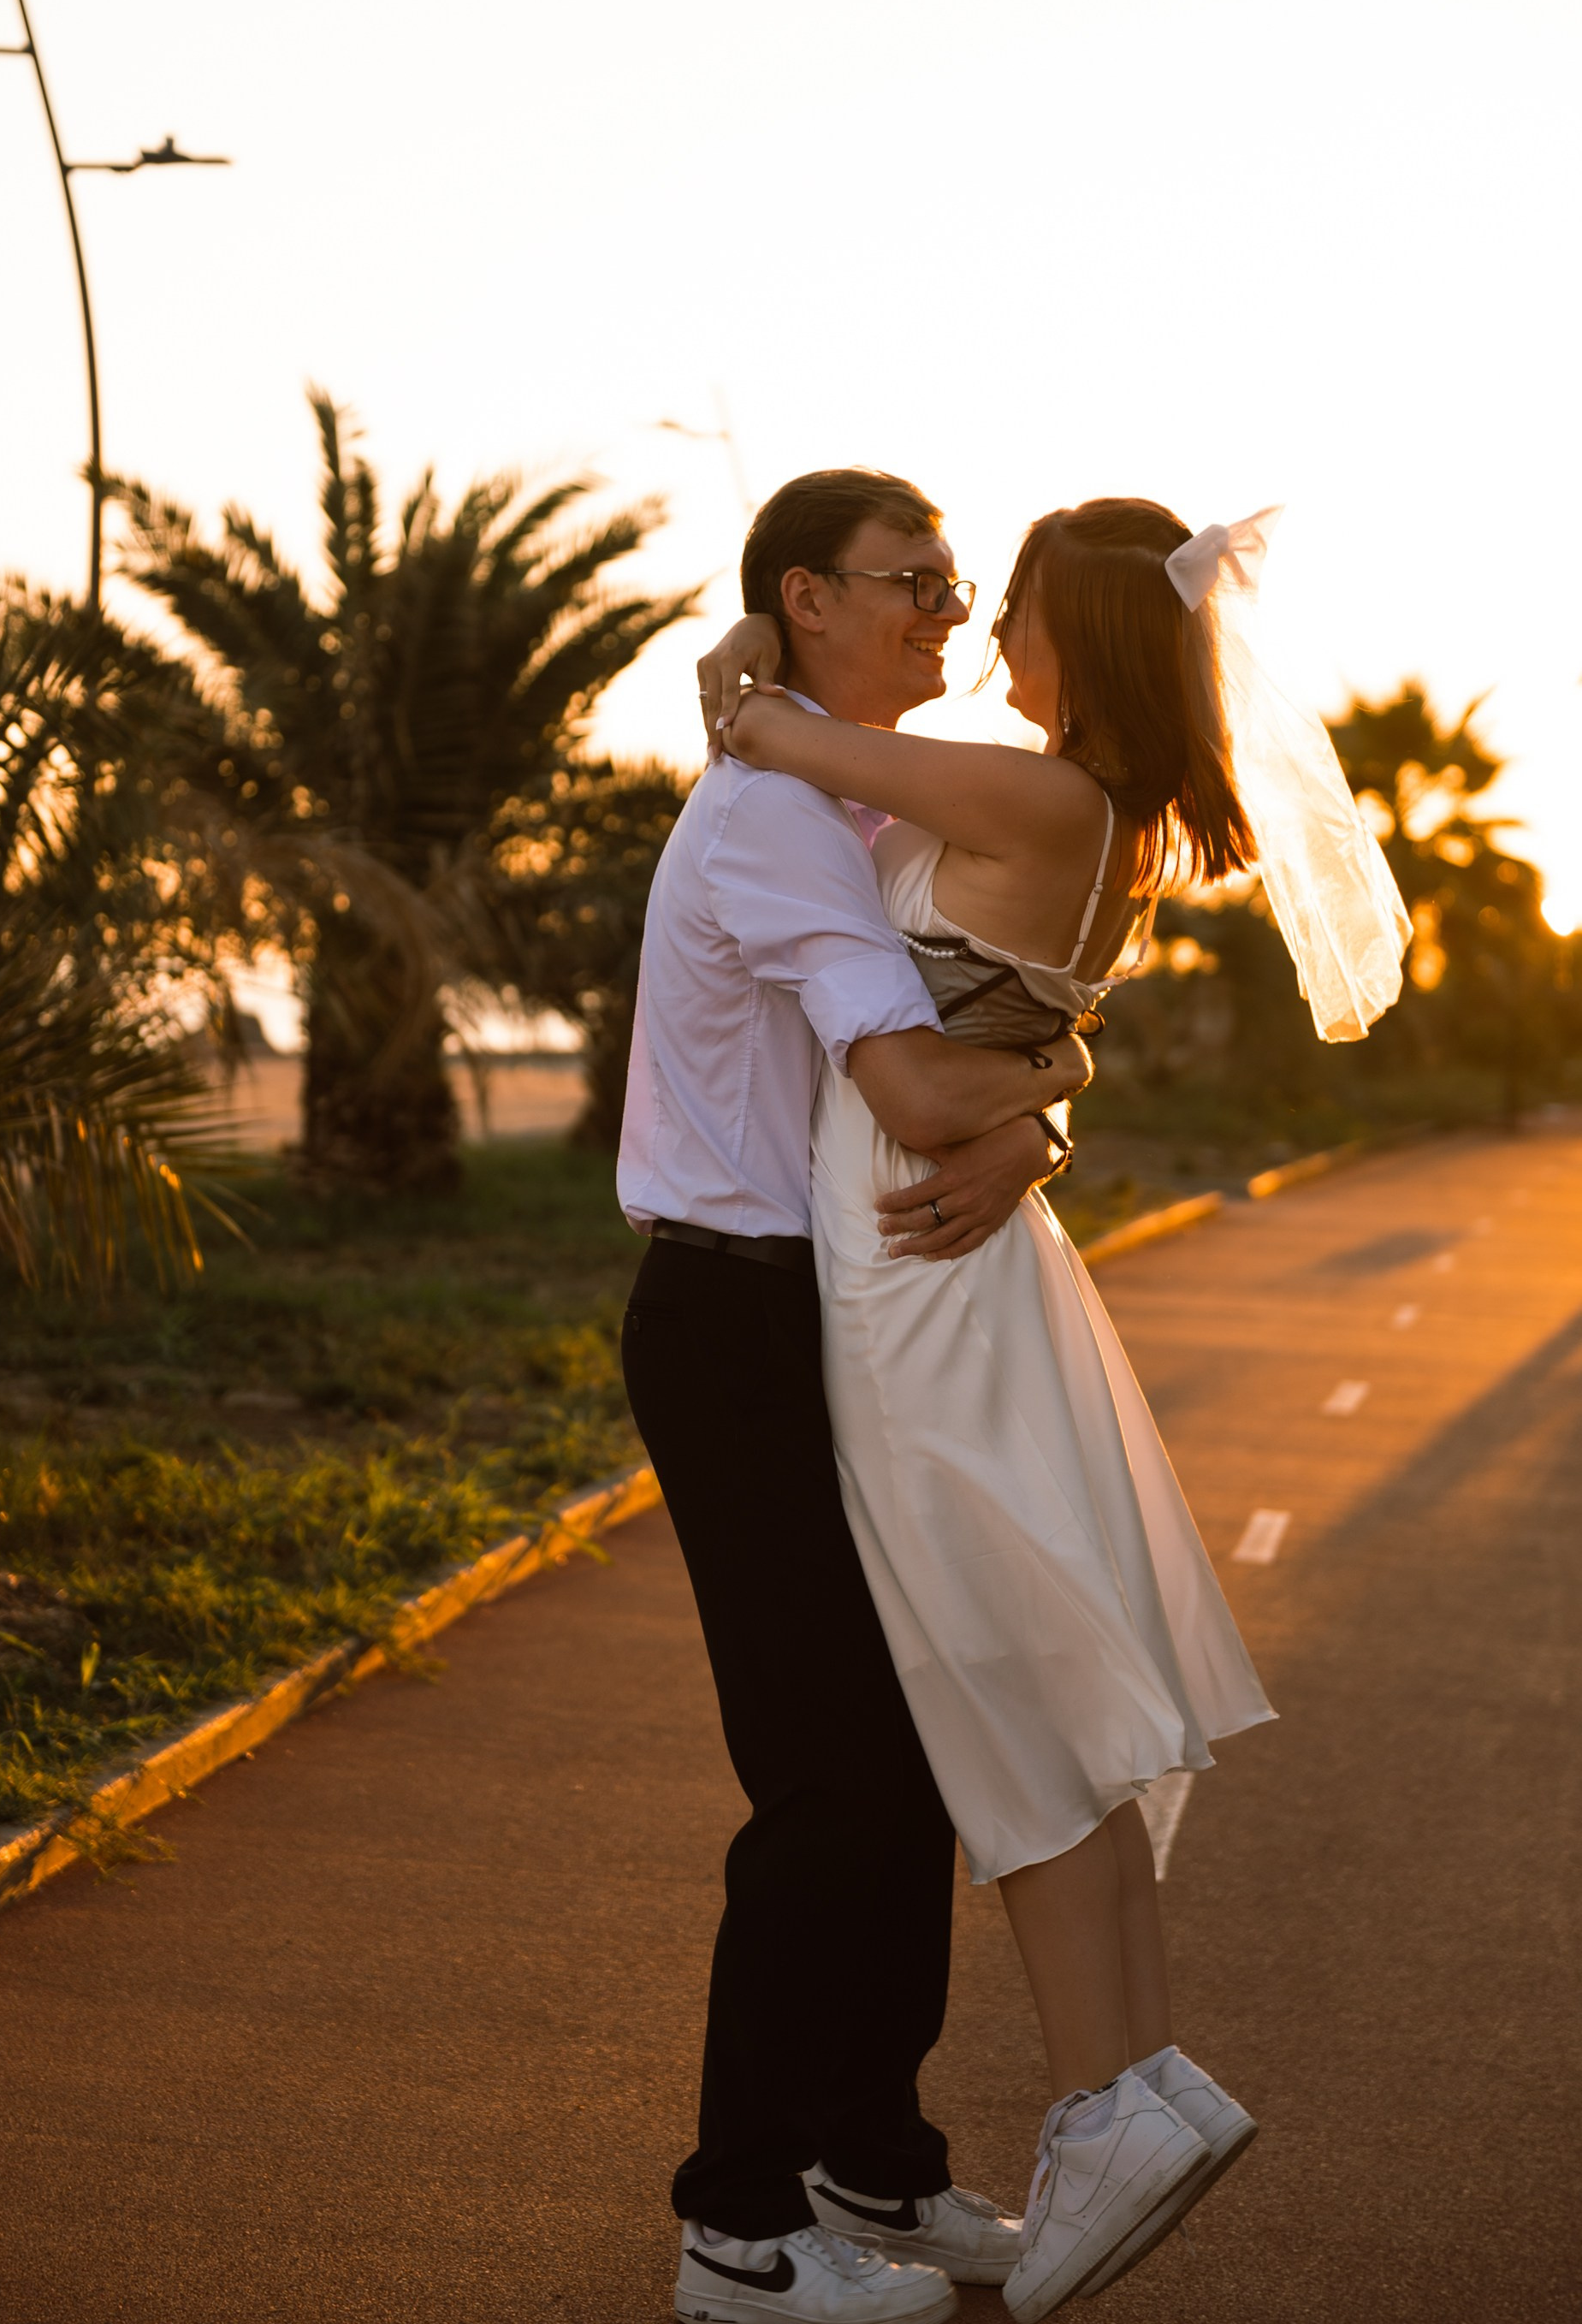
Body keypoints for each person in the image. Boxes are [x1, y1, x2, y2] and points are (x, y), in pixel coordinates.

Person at [698, 491, 1409, 2321]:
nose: (978, 630)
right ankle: (1131, 2084)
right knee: (1024, 1672)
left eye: (994, 603)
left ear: (1075, 637)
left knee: (994, 1677)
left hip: (912, 1271)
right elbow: (1031, 1019)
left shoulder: (1023, 794)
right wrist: (1052, 1097)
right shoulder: (1113, 821)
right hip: (958, 1262)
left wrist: (750, 664)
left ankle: (1109, 2101)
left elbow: (768, 730)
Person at [618, 469, 1090, 2324]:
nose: (952, 609)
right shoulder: (776, 815)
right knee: (829, 1778)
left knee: (903, 1763)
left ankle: (867, 2163)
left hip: (828, 1317)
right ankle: (736, 2228)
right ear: (809, 596)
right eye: (912, 581)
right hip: (736, 1324)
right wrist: (1046, 1112)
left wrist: (1040, 1107)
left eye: (957, 581)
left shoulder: (821, 780)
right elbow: (912, 1095)